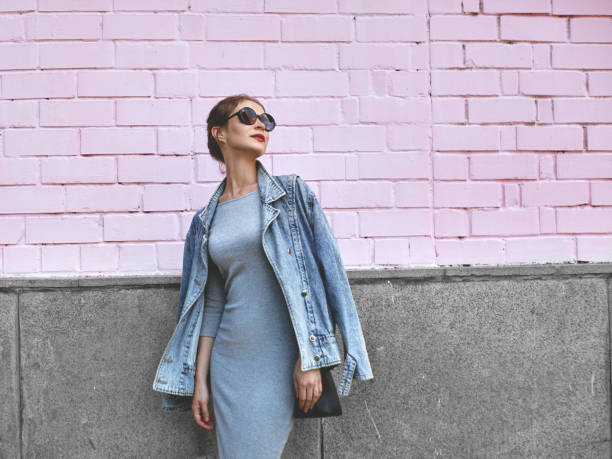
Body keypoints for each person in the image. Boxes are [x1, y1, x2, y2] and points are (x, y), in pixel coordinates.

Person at [152, 93, 374, 458]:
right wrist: (200, 381)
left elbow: (329, 279)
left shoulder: (292, 195)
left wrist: (310, 360)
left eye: (266, 119)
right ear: (219, 133)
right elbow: (212, 301)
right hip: (228, 363)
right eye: (248, 115)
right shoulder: (205, 221)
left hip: (280, 362)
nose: (261, 124)